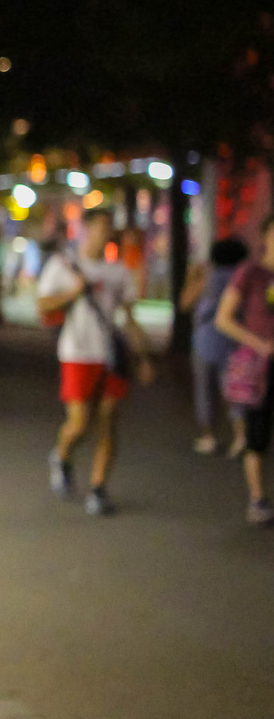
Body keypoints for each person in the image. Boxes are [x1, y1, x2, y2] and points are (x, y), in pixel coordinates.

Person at [37, 208, 153, 516]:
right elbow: (43, 305)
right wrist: (73, 292)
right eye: (100, 226)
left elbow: (129, 317)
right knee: (79, 423)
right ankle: (61, 455)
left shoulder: (119, 271)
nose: (106, 233)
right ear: (85, 229)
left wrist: (142, 357)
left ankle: (98, 487)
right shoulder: (64, 265)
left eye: (109, 227)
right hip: (76, 352)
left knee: (109, 420)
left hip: (110, 355)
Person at [210, 217, 274, 526]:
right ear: (266, 236)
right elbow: (223, 318)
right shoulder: (251, 273)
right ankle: (258, 499)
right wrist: (259, 344)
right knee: (257, 435)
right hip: (259, 369)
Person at [178, 236, 249, 454]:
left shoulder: (207, 279)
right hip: (235, 340)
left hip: (204, 341)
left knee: (204, 391)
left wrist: (192, 277)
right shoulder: (243, 278)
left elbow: (185, 303)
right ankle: (241, 436)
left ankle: (208, 437)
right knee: (234, 391)